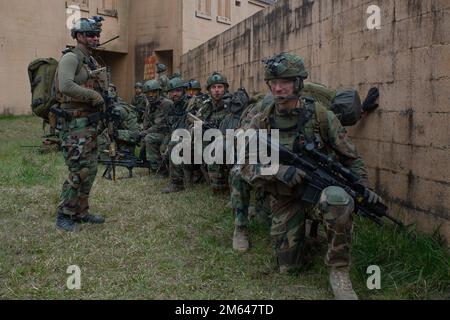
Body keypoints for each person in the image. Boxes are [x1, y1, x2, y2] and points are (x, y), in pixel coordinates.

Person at [238, 52, 383, 300]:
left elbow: (352, 157)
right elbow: (244, 163)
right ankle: (305, 237)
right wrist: (279, 171)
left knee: (337, 198)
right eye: (274, 82)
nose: (279, 88)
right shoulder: (261, 119)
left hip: (319, 192)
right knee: (289, 268)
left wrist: (362, 185)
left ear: (298, 83)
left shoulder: (320, 115)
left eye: (285, 81)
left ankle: (338, 270)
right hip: (284, 196)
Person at [54, 17, 107, 231]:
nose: (95, 38)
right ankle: (64, 214)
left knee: (91, 168)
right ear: (78, 36)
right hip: (75, 124)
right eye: (90, 34)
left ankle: (81, 211)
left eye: (97, 34)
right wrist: (93, 95)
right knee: (79, 170)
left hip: (88, 123)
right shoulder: (71, 58)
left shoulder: (90, 60)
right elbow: (65, 85)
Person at [98, 84, 141, 179]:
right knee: (102, 136)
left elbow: (136, 136)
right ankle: (106, 160)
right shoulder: (106, 111)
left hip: (126, 147)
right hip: (114, 147)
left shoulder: (125, 112)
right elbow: (99, 130)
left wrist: (117, 133)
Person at [162, 77, 191, 193]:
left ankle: (177, 183)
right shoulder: (172, 107)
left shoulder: (191, 104)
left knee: (174, 145)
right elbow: (169, 127)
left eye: (178, 91)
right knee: (166, 144)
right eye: (172, 91)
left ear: (183, 91)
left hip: (192, 138)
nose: (175, 94)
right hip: (178, 136)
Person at [141, 79, 173, 174]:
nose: (151, 95)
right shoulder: (149, 106)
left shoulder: (166, 104)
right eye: (148, 93)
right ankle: (153, 164)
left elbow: (160, 125)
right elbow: (146, 123)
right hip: (158, 133)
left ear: (159, 92)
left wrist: (145, 133)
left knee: (149, 138)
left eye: (153, 92)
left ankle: (160, 169)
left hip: (168, 133)